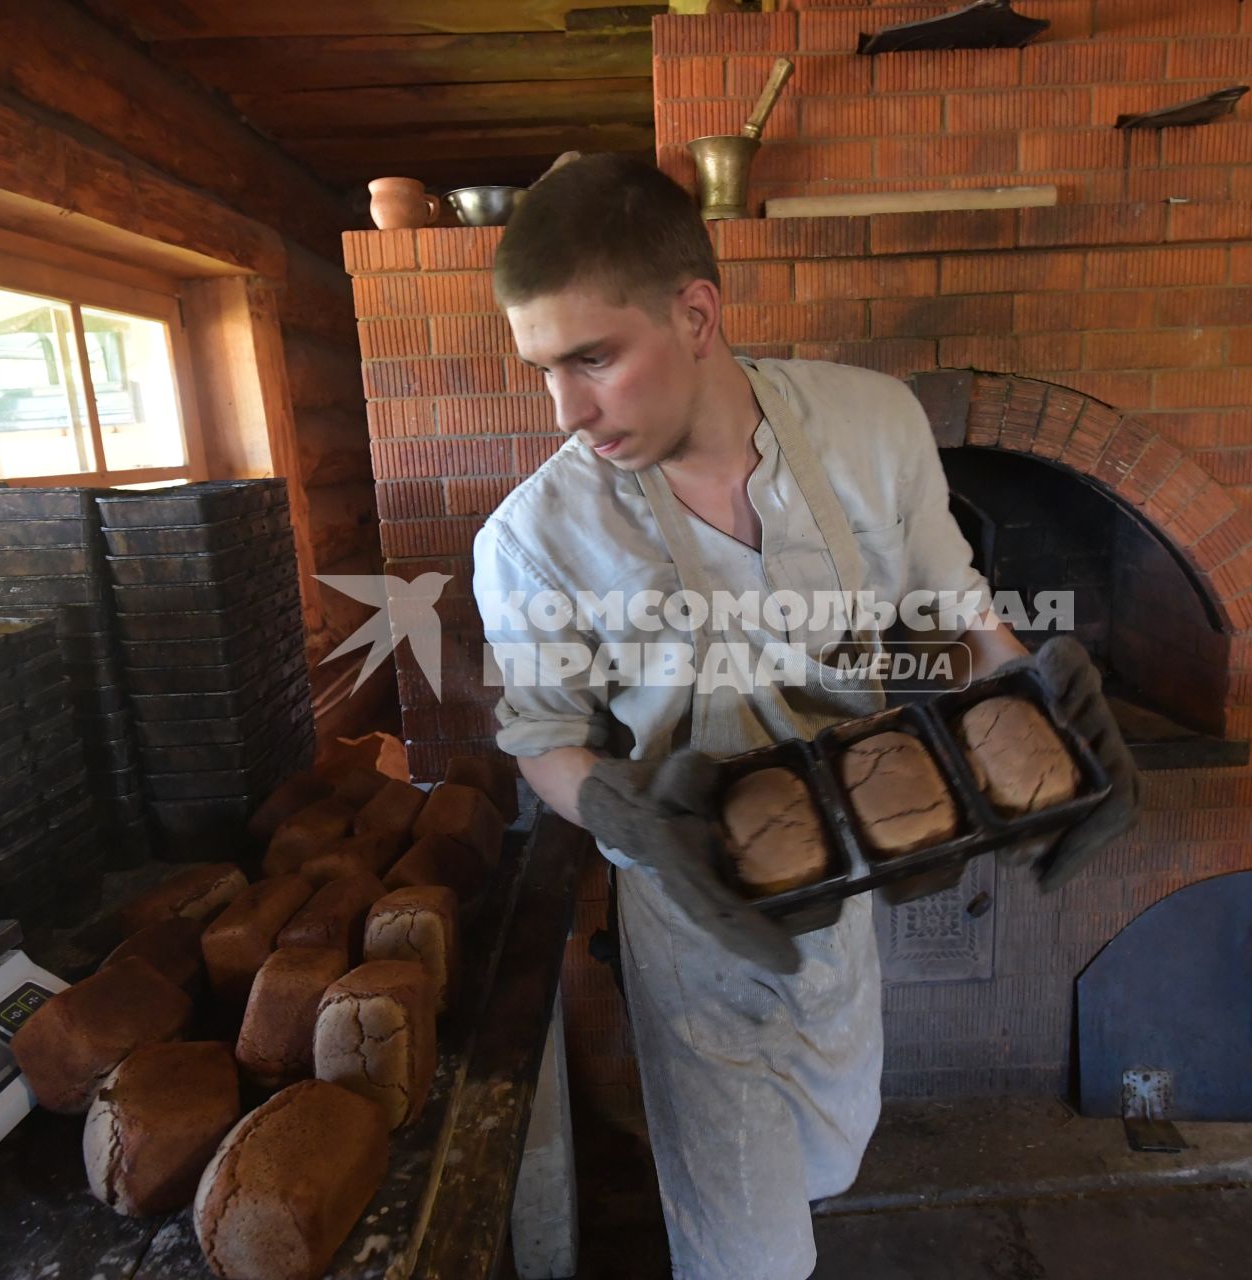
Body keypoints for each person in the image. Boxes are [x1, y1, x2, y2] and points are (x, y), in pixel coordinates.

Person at [471, 153, 1137, 1279]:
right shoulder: (532, 538)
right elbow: (544, 743)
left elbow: (961, 608)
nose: (568, 410)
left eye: (594, 358)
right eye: (543, 369)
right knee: (750, 1255)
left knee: (831, 1158)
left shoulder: (873, 427)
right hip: (697, 919)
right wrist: (627, 812)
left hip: (852, 886)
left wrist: (1044, 715)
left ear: (695, 314)